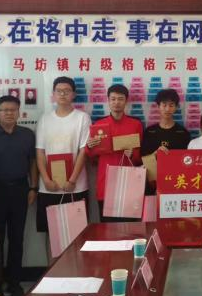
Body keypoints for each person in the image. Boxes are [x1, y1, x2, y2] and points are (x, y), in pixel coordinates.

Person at [0, 95, 37, 296]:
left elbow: (32, 163)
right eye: (5, 110)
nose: (9, 113)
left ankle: (15, 283)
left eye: (13, 110)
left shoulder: (27, 135)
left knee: (17, 238)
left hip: (20, 190)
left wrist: (33, 187)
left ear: (19, 112)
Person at [35, 77, 90, 250]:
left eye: (67, 91)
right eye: (59, 91)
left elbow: (84, 151)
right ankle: (52, 266)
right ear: (53, 94)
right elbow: (40, 152)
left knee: (78, 233)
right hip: (49, 187)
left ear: (73, 94)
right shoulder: (45, 119)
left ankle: (76, 266)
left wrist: (72, 180)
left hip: (75, 186)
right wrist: (46, 180)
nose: (63, 94)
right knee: (51, 234)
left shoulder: (82, 118)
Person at [86, 84, 143, 222]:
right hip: (106, 183)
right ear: (108, 100)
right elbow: (91, 157)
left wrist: (132, 154)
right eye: (113, 99)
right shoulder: (99, 125)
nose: (116, 102)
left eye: (120, 99)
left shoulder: (136, 124)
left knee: (130, 229)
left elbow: (139, 158)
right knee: (107, 229)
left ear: (126, 101)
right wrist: (89, 147)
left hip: (129, 184)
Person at [140, 89, 191, 195]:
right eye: (164, 105)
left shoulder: (183, 133)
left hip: (176, 184)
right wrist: (155, 154)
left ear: (176, 107)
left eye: (171, 105)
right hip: (152, 185)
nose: (167, 109)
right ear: (158, 106)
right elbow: (143, 160)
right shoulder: (149, 132)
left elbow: (187, 162)